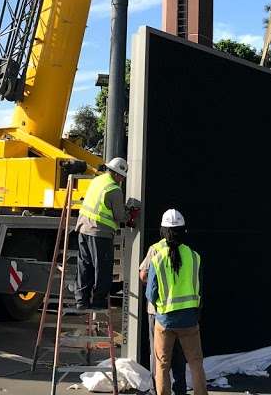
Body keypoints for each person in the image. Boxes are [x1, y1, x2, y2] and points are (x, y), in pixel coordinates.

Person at [146, 209, 207, 395]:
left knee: (162, 365)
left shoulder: (157, 258)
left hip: (164, 320)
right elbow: (200, 288)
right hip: (189, 319)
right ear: (183, 231)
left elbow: (151, 294)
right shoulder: (194, 256)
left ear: (163, 231)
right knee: (195, 363)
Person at [75, 157, 129, 310]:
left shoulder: (97, 180)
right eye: (122, 177)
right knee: (103, 268)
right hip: (100, 232)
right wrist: (129, 215)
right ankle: (98, 301)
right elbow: (119, 216)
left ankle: (81, 301)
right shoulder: (115, 189)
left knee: (85, 265)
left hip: (83, 228)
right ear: (118, 175)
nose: (122, 180)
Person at [140, 229, 187, 395]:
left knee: (159, 355)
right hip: (181, 310)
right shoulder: (187, 251)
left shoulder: (155, 248)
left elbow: (143, 275)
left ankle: (157, 389)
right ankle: (180, 389)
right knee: (178, 352)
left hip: (157, 311)